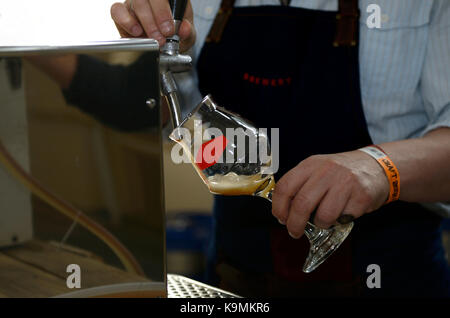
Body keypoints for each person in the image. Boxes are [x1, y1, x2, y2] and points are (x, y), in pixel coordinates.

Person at [34, 0, 450, 297]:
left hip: (392, 278)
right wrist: (28, 44)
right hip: (232, 283)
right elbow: (140, 104)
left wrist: (381, 168)